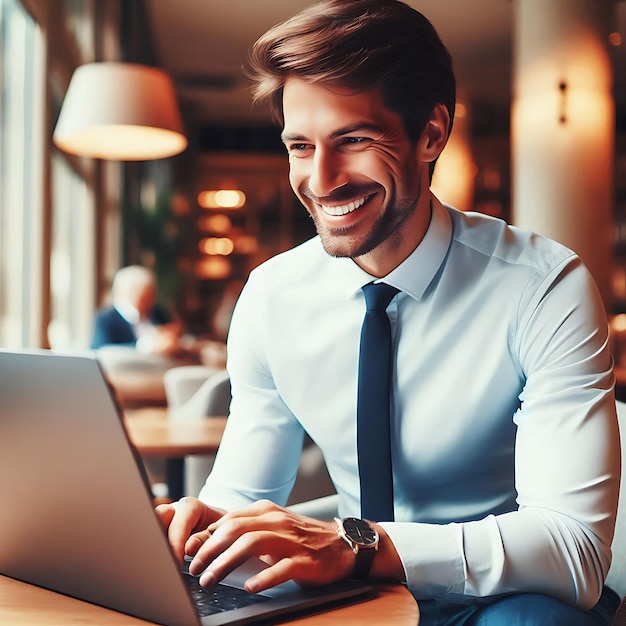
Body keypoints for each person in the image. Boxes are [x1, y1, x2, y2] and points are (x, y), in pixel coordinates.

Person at [156, 1, 621, 623]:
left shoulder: (544, 288)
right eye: (300, 146)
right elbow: (243, 492)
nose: (321, 180)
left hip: (498, 596)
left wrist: (359, 548)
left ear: (431, 133)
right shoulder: (271, 297)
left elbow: (573, 550)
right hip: (346, 596)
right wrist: (202, 525)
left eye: (353, 140)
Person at [90, 265, 182, 356]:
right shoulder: (106, 319)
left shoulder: (158, 313)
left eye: (151, 294)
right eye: (145, 296)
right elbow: (100, 351)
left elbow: (173, 335)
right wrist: (148, 346)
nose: (151, 300)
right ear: (128, 293)